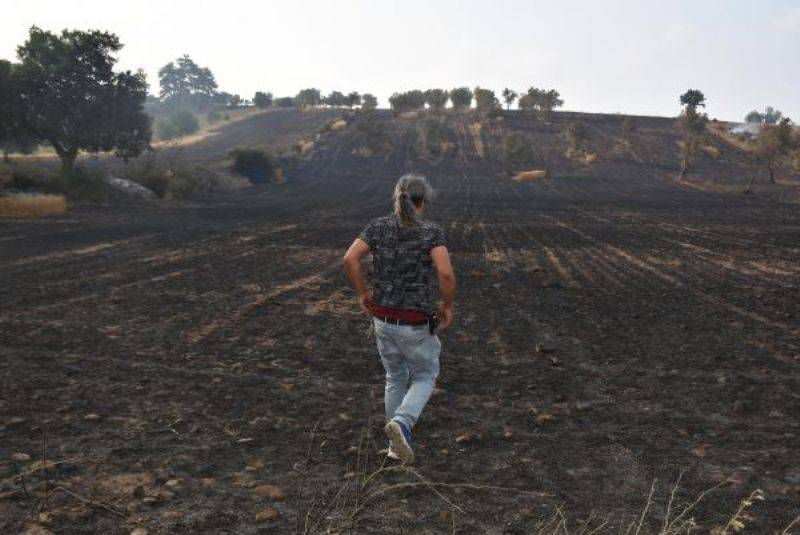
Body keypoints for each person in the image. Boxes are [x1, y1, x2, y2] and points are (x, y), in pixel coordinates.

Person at [343, 173, 456, 465]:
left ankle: (395, 448)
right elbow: (444, 272)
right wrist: (448, 305)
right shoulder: (431, 232)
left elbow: (350, 258)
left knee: (394, 377)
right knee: (425, 375)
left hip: (382, 319)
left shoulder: (378, 227)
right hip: (414, 321)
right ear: (423, 201)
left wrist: (362, 293)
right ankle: (403, 423)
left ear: (397, 198)